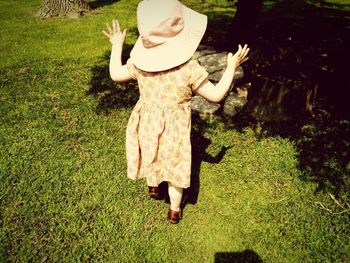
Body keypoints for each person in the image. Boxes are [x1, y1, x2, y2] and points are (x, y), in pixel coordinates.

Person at [103, 0, 249, 224]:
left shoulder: (139, 64)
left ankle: (153, 186)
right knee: (175, 167)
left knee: (152, 150)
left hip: (146, 121)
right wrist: (230, 67)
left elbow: (115, 74)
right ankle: (173, 209)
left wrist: (117, 45)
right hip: (175, 129)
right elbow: (217, 95)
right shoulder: (189, 69)